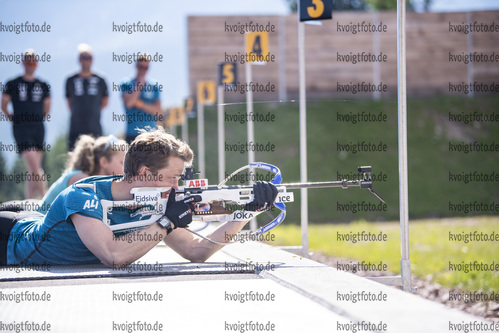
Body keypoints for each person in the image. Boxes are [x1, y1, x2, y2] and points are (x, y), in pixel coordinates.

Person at [0, 127, 278, 267]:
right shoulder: (83, 195)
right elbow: (113, 256)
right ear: (145, 173)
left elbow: (196, 251)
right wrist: (166, 223)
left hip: (34, 215)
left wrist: (245, 213)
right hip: (11, 240)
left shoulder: (154, 202)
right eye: (173, 177)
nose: (177, 185)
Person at [1, 49, 51, 199]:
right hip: (21, 127)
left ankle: (29, 202)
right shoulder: (13, 83)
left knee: (32, 168)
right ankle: (45, 200)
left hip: (38, 127)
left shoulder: (43, 85)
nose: (30, 65)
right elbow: (3, 103)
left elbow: (47, 107)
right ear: (23, 63)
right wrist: (11, 117)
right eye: (27, 61)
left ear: (36, 64)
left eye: (32, 62)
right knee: (34, 164)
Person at [36, 134, 128, 214]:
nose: (125, 167)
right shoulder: (80, 179)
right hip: (37, 226)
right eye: (122, 162)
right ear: (104, 162)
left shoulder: (86, 178)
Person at [65, 43, 109, 150]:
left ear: (92, 60)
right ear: (79, 60)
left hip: (94, 125)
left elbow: (105, 102)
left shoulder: (100, 80)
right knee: (74, 155)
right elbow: (69, 102)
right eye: (83, 58)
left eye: (88, 58)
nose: (85, 61)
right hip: (76, 126)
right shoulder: (70, 80)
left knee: (95, 156)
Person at [121, 54, 162, 143]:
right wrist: (139, 85)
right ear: (136, 66)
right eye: (140, 67)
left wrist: (139, 103)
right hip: (132, 133)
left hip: (151, 134)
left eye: (145, 68)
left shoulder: (154, 86)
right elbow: (129, 103)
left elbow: (158, 111)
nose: (143, 70)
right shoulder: (126, 84)